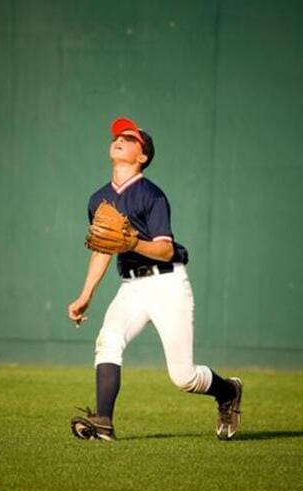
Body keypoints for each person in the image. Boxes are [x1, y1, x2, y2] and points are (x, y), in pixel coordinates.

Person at [67, 117, 243, 441]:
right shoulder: (98, 199)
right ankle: (104, 421)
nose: (119, 139)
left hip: (167, 284)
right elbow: (103, 249)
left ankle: (228, 391)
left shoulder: (152, 195)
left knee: (183, 377)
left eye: (129, 138)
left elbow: (165, 250)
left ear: (142, 155)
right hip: (132, 286)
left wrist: (133, 242)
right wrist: (86, 294)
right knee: (108, 339)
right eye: (117, 136)